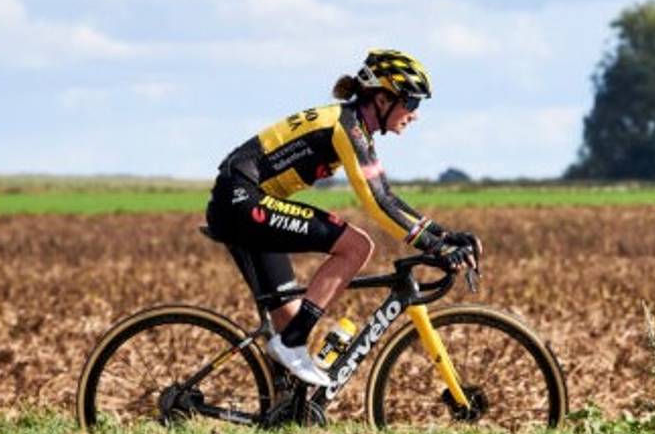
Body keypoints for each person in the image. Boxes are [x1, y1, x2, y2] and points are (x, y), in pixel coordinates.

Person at [205, 49, 480, 387]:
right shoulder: (346, 127)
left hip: (241, 201)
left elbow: (387, 195)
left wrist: (443, 235)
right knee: (356, 246)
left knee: (289, 321)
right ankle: (291, 343)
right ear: (382, 98)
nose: (415, 114)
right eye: (411, 102)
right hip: (241, 201)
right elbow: (377, 204)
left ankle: (283, 404)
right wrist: (435, 247)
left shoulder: (355, 128)